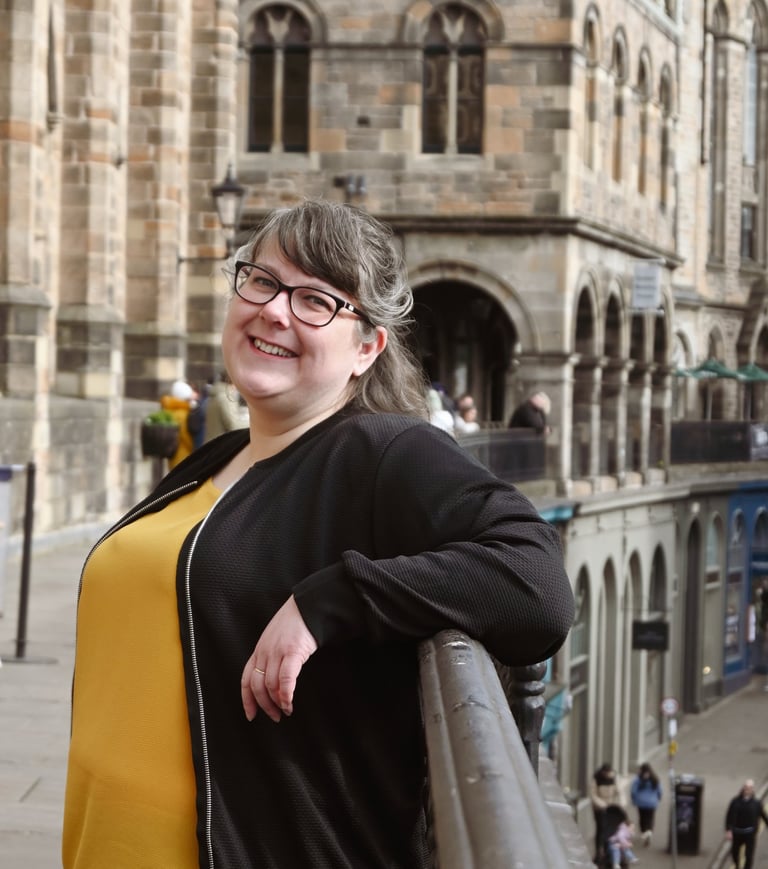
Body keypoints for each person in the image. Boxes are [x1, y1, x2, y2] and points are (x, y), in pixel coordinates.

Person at [62, 200, 574, 869]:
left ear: (368, 346)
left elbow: (537, 582)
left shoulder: (382, 452)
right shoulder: (218, 458)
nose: (275, 310)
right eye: (263, 281)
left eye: (317, 301)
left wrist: (332, 598)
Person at [725, 778, 768, 869]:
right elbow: (729, 816)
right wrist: (728, 830)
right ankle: (737, 865)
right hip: (737, 832)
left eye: (749, 788)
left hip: (750, 834)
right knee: (734, 853)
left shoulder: (756, 803)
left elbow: (763, 815)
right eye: (745, 787)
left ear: (752, 790)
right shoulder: (735, 802)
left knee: (749, 856)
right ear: (743, 788)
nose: (747, 790)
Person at [160, 378, 197, 468]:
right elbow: (185, 436)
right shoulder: (182, 414)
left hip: (174, 456)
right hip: (183, 456)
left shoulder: (170, 411)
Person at [591, 762, 625, 862]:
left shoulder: (614, 778)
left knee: (609, 829)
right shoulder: (596, 779)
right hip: (599, 808)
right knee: (600, 828)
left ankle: (607, 852)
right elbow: (593, 795)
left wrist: (622, 803)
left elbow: (619, 791)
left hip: (611, 808)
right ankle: (598, 852)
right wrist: (602, 805)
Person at [203, 371, 249, 442]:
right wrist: (255, 423)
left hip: (213, 443)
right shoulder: (226, 397)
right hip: (222, 445)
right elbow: (234, 425)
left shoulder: (216, 394)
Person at [630, 761, 662, 846]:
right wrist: (658, 798)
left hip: (641, 802)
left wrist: (633, 799)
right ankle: (649, 831)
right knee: (650, 818)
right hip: (652, 802)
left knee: (642, 818)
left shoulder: (638, 779)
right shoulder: (655, 779)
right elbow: (659, 791)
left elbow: (633, 791)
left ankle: (644, 831)